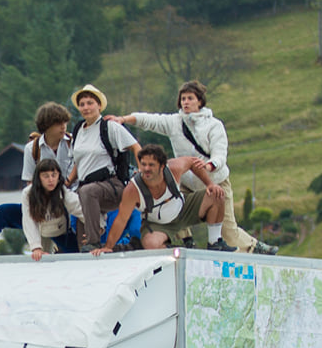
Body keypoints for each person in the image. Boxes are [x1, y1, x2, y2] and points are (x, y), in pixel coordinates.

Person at [108, 79, 273, 253]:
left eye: (190, 98)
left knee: (228, 232)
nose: (185, 102)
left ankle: (255, 247)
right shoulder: (175, 122)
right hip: (187, 183)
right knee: (171, 208)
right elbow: (150, 120)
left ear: (200, 101)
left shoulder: (214, 126)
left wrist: (209, 166)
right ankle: (186, 242)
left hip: (214, 180)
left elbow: (220, 154)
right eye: (183, 99)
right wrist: (123, 119)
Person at [0, 102, 76, 257]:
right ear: (47, 126)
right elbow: (30, 185)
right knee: (3, 211)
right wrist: (41, 207)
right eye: (59, 123)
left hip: (64, 209)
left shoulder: (73, 143)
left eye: (65, 122)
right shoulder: (32, 149)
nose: (64, 127)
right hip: (41, 208)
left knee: (77, 253)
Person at [93, 144, 223, 253]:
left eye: (151, 165)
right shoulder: (133, 189)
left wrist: (210, 184)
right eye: (143, 165)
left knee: (217, 194)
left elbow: (192, 162)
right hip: (157, 224)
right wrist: (108, 247)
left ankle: (214, 243)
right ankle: (180, 250)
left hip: (183, 209)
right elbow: (121, 219)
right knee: (151, 245)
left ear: (162, 166)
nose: (146, 169)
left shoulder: (174, 169)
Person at [65, 84, 139, 245]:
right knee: (81, 239)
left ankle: (94, 240)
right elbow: (79, 161)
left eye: (90, 103)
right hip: (85, 190)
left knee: (87, 192)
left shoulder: (109, 127)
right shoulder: (78, 130)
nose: (86, 107)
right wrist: (68, 181)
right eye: (82, 104)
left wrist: (142, 176)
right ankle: (88, 250)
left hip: (110, 185)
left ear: (99, 105)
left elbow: (135, 147)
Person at [20, 156, 78, 260]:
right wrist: (35, 247)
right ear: (39, 178)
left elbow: (80, 208)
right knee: (4, 211)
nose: (50, 180)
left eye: (53, 175)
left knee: (78, 253)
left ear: (59, 176)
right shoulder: (28, 193)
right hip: (40, 226)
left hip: (59, 231)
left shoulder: (63, 192)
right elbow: (28, 220)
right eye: (45, 176)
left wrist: (98, 227)